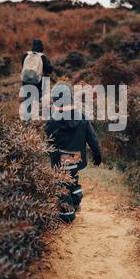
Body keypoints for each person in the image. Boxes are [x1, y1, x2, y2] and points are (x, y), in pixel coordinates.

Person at [45, 81, 102, 222]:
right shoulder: (82, 117)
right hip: (76, 158)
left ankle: (67, 215)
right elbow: (92, 139)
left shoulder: (53, 120)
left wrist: (49, 154)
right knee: (73, 179)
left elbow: (48, 141)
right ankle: (76, 202)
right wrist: (97, 155)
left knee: (63, 185)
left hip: (60, 159)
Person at [19, 39, 52, 119]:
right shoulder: (42, 57)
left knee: (28, 102)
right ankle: (45, 116)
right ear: (41, 47)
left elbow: (23, 67)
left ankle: (27, 122)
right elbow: (49, 69)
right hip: (38, 83)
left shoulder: (25, 55)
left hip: (26, 82)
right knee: (42, 98)